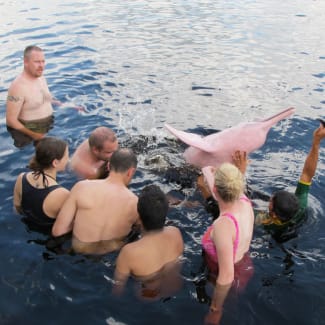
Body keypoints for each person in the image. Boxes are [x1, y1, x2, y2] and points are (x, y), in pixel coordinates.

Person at [52, 148, 140, 254]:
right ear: (131, 172)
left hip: (79, 249)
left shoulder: (82, 187)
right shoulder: (136, 203)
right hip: (110, 253)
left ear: (108, 166)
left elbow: (58, 231)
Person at [200, 163, 255, 325]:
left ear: (216, 190)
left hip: (226, 279)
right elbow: (225, 192)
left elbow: (226, 276)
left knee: (224, 314)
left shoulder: (223, 225)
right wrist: (210, 172)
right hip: (245, 268)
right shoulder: (245, 203)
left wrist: (215, 310)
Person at [113, 184, 184, 299]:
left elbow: (118, 289)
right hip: (176, 287)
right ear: (165, 213)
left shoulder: (129, 252)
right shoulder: (175, 233)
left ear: (139, 218)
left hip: (146, 297)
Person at [13, 137, 70, 233]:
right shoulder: (62, 194)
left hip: (28, 227)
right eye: (67, 156)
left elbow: (17, 209)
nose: (68, 160)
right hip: (48, 237)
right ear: (55, 163)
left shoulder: (21, 178)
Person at [6, 45, 58, 148]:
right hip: (29, 133)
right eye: (37, 62)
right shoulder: (17, 87)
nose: (41, 65)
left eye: (43, 61)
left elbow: (46, 98)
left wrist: (68, 106)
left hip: (49, 125)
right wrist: (35, 136)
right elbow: (10, 121)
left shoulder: (41, 77)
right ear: (26, 62)